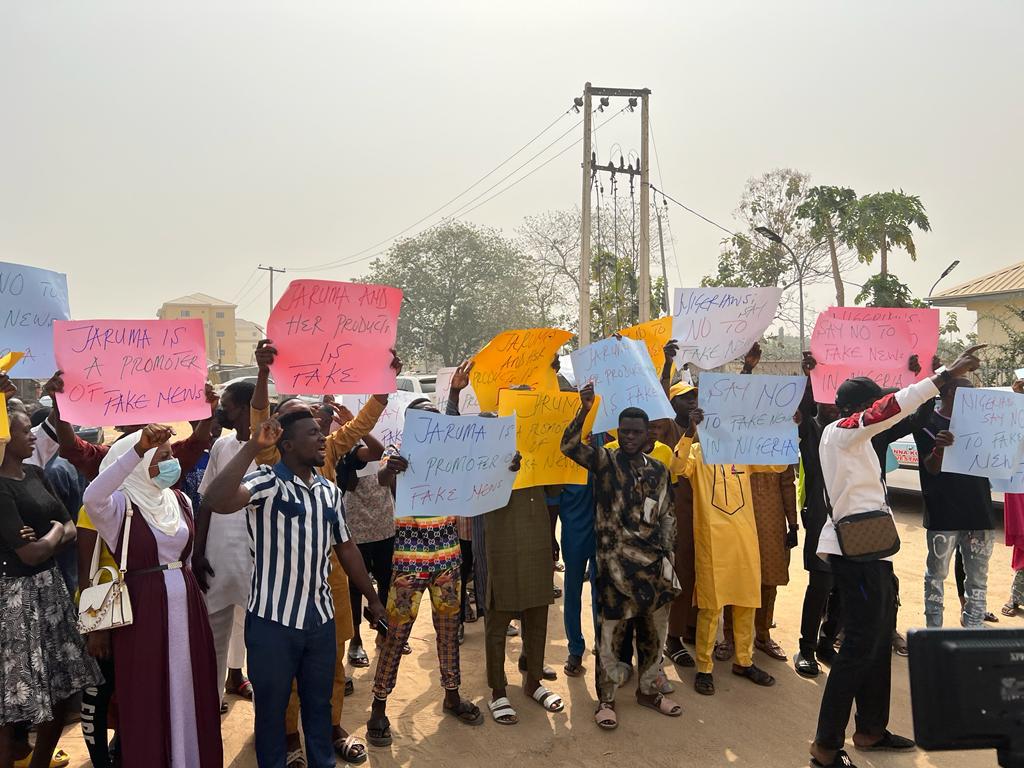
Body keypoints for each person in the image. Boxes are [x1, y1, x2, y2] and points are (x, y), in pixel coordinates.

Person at [808, 344, 984, 768]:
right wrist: (942, 375)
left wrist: (934, 390)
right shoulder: (842, 431)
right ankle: (825, 747)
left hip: (872, 548)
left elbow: (901, 413)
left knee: (877, 640)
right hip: (857, 555)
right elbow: (890, 407)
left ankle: (870, 729)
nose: (878, 411)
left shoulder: (858, 440)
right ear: (853, 409)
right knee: (857, 648)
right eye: (870, 405)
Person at [202, 412, 386, 768]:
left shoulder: (329, 491)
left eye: (322, 432)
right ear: (286, 445)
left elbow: (346, 548)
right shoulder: (266, 482)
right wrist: (253, 446)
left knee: (319, 706)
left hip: (319, 621)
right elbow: (216, 500)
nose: (322, 439)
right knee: (271, 711)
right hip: (272, 623)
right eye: (312, 433)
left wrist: (374, 599)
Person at [247, 340, 400, 767]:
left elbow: (361, 427)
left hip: (329, 577)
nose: (317, 421)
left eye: (316, 417)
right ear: (282, 435)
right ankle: (289, 738)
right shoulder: (269, 461)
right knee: (285, 681)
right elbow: (258, 420)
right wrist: (262, 373)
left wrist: (383, 387)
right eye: (304, 417)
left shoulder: (328, 453)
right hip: (280, 596)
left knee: (330, 664)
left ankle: (331, 728)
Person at [82, 424, 222, 767]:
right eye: (162, 456)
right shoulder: (119, 507)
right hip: (145, 609)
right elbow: (91, 497)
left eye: (171, 454)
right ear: (139, 463)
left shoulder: (180, 500)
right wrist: (136, 449)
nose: (172, 461)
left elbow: (186, 558)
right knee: (149, 692)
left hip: (187, 606)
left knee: (191, 688)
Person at [367, 397, 487, 746]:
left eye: (434, 419)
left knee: (449, 631)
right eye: (423, 420)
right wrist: (393, 470)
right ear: (411, 425)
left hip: (448, 558)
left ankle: (451, 695)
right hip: (409, 561)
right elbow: (381, 477)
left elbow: (483, 471)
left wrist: (504, 466)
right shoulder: (397, 450)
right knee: (396, 635)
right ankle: (379, 705)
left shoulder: (453, 456)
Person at [561, 384, 681, 730]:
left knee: (653, 637)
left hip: (653, 571)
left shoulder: (659, 470)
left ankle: (649, 691)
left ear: (647, 437)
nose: (628, 437)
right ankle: (607, 700)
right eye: (623, 431)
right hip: (614, 573)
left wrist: (669, 560)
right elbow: (568, 446)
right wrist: (583, 411)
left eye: (635, 433)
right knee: (610, 639)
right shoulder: (605, 461)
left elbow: (667, 516)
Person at [0, 409, 101, 768]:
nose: (32, 437)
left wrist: (50, 535)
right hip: (16, 600)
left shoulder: (37, 474)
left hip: (50, 591)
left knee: (61, 688)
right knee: (16, 699)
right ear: (3, 438)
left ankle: (39, 762)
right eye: (24, 431)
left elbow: (72, 526)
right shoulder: (0, 486)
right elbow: (31, 553)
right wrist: (54, 532)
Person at [673, 406, 785, 695]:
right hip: (713, 543)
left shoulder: (742, 451)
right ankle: (704, 667)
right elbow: (675, 468)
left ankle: (744, 661)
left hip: (745, 541)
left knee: (747, 601)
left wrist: (786, 427)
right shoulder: (697, 452)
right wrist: (688, 432)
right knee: (711, 606)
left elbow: (778, 465)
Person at [193, 381, 258, 712]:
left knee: (253, 632)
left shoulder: (270, 451)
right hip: (217, 556)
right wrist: (198, 551)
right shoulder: (221, 446)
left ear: (247, 408)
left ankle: (245, 682)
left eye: (228, 406)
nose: (223, 412)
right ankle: (211, 699)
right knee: (214, 631)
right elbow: (205, 501)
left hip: (254, 562)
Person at [914, 376, 996, 628]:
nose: (973, 397)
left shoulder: (985, 423)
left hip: (979, 512)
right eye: (966, 391)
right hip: (943, 514)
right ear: (948, 391)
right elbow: (931, 468)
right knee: (936, 577)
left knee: (978, 581)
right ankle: (934, 635)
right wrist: (940, 448)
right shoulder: (928, 422)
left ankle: (973, 635)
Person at [794, 373, 841, 678]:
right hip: (822, 523)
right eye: (827, 401)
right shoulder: (815, 435)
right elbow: (805, 407)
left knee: (845, 589)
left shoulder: (862, 434)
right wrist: (810, 375)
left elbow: (907, 420)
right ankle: (807, 648)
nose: (833, 407)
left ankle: (827, 642)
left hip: (854, 527)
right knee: (820, 586)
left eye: (839, 401)